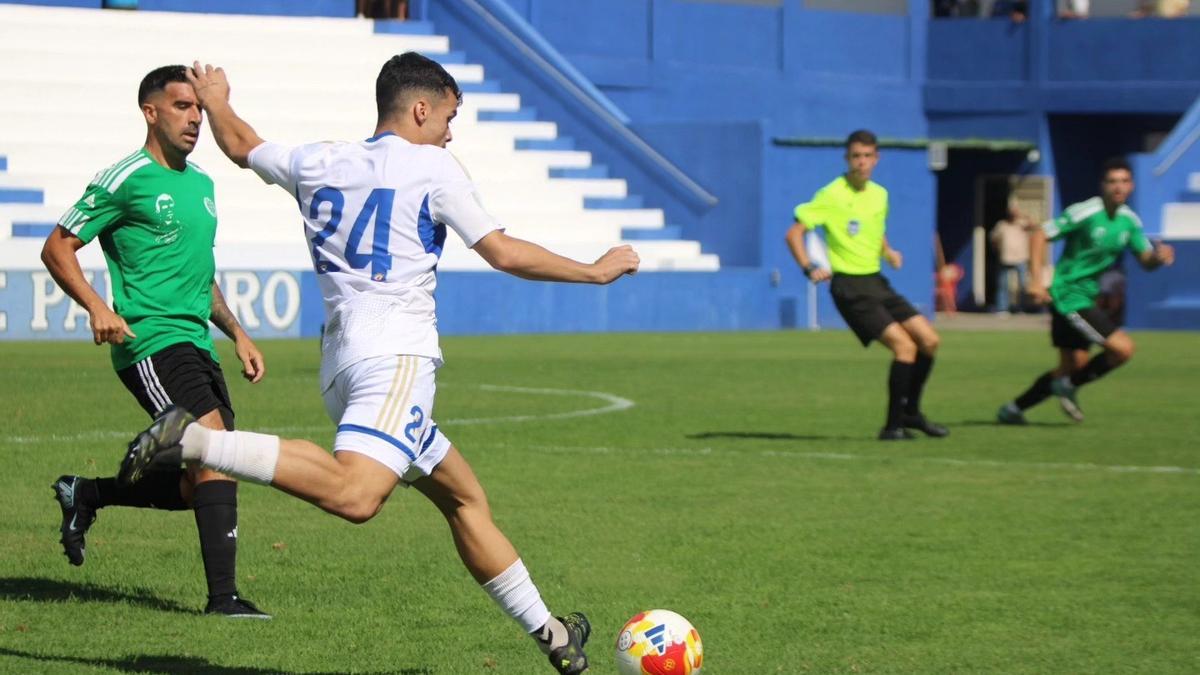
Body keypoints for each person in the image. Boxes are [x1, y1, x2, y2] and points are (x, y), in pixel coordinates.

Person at [119, 53, 640, 674]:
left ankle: (553, 634)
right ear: (421, 108)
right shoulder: (432, 165)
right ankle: (198, 442)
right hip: (394, 358)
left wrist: (218, 99)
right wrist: (594, 270)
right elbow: (500, 251)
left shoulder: (319, 160)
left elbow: (241, 146)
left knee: (465, 500)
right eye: (449, 115)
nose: (451, 130)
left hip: (342, 363)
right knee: (358, 496)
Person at [40, 66, 269, 618]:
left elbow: (200, 274)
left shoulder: (203, 185)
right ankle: (224, 601)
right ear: (151, 112)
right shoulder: (127, 177)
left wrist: (236, 332)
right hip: (150, 341)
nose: (195, 118)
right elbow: (57, 247)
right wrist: (97, 307)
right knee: (215, 450)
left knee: (200, 482)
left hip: (197, 343)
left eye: (198, 108)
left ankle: (89, 492)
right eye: (182, 107)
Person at [785, 130, 948, 441]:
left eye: (867, 156)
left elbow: (875, 229)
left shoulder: (879, 195)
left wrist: (888, 251)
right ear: (847, 159)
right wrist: (809, 267)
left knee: (929, 340)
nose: (861, 162)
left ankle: (911, 413)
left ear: (876, 158)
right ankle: (892, 426)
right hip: (849, 286)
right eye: (855, 156)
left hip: (877, 281)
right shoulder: (831, 195)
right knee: (905, 346)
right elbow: (793, 234)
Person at [997, 157, 1175, 425]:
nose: (1118, 187)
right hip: (1068, 295)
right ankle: (1068, 386)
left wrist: (1158, 258)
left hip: (1086, 295)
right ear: (1102, 185)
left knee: (1073, 365)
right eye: (1113, 181)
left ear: (1132, 186)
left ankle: (1013, 409)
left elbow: (1145, 261)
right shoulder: (1086, 212)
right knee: (1123, 349)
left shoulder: (1129, 221)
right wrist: (1036, 280)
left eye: (1124, 181)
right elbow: (1040, 235)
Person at [990, 202, 1034, 314]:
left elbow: (1033, 225)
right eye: (1011, 212)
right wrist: (997, 250)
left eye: (1015, 212)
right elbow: (993, 239)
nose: (1013, 214)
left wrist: (1022, 215)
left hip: (1021, 258)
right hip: (1005, 258)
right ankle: (1002, 308)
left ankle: (1021, 308)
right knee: (1003, 285)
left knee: (1023, 285)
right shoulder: (1002, 225)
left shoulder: (1022, 224)